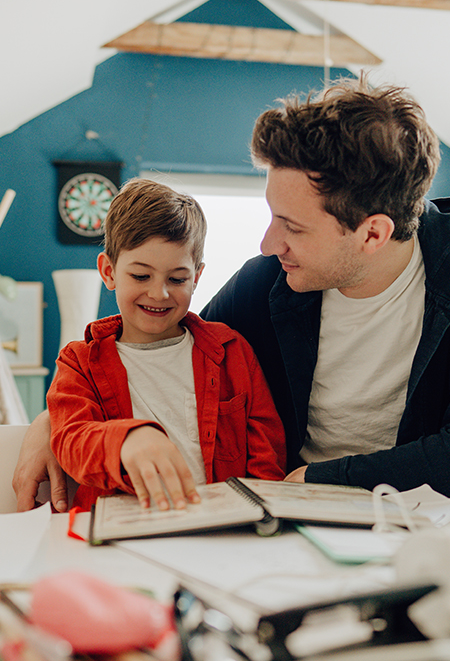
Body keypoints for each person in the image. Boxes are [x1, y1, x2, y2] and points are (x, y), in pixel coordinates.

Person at [14, 77, 450, 512]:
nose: (269, 244)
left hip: (411, 521)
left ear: (372, 233)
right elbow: (171, 348)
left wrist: (314, 480)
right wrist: (55, 419)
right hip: (282, 518)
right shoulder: (267, 280)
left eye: (292, 226)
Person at [45, 178, 285, 511]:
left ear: (197, 277)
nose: (159, 293)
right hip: (122, 536)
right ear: (109, 271)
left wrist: (260, 519)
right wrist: (127, 439)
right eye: (141, 276)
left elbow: (267, 457)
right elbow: (71, 441)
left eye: (177, 279)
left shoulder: (232, 351)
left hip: (221, 532)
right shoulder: (78, 362)